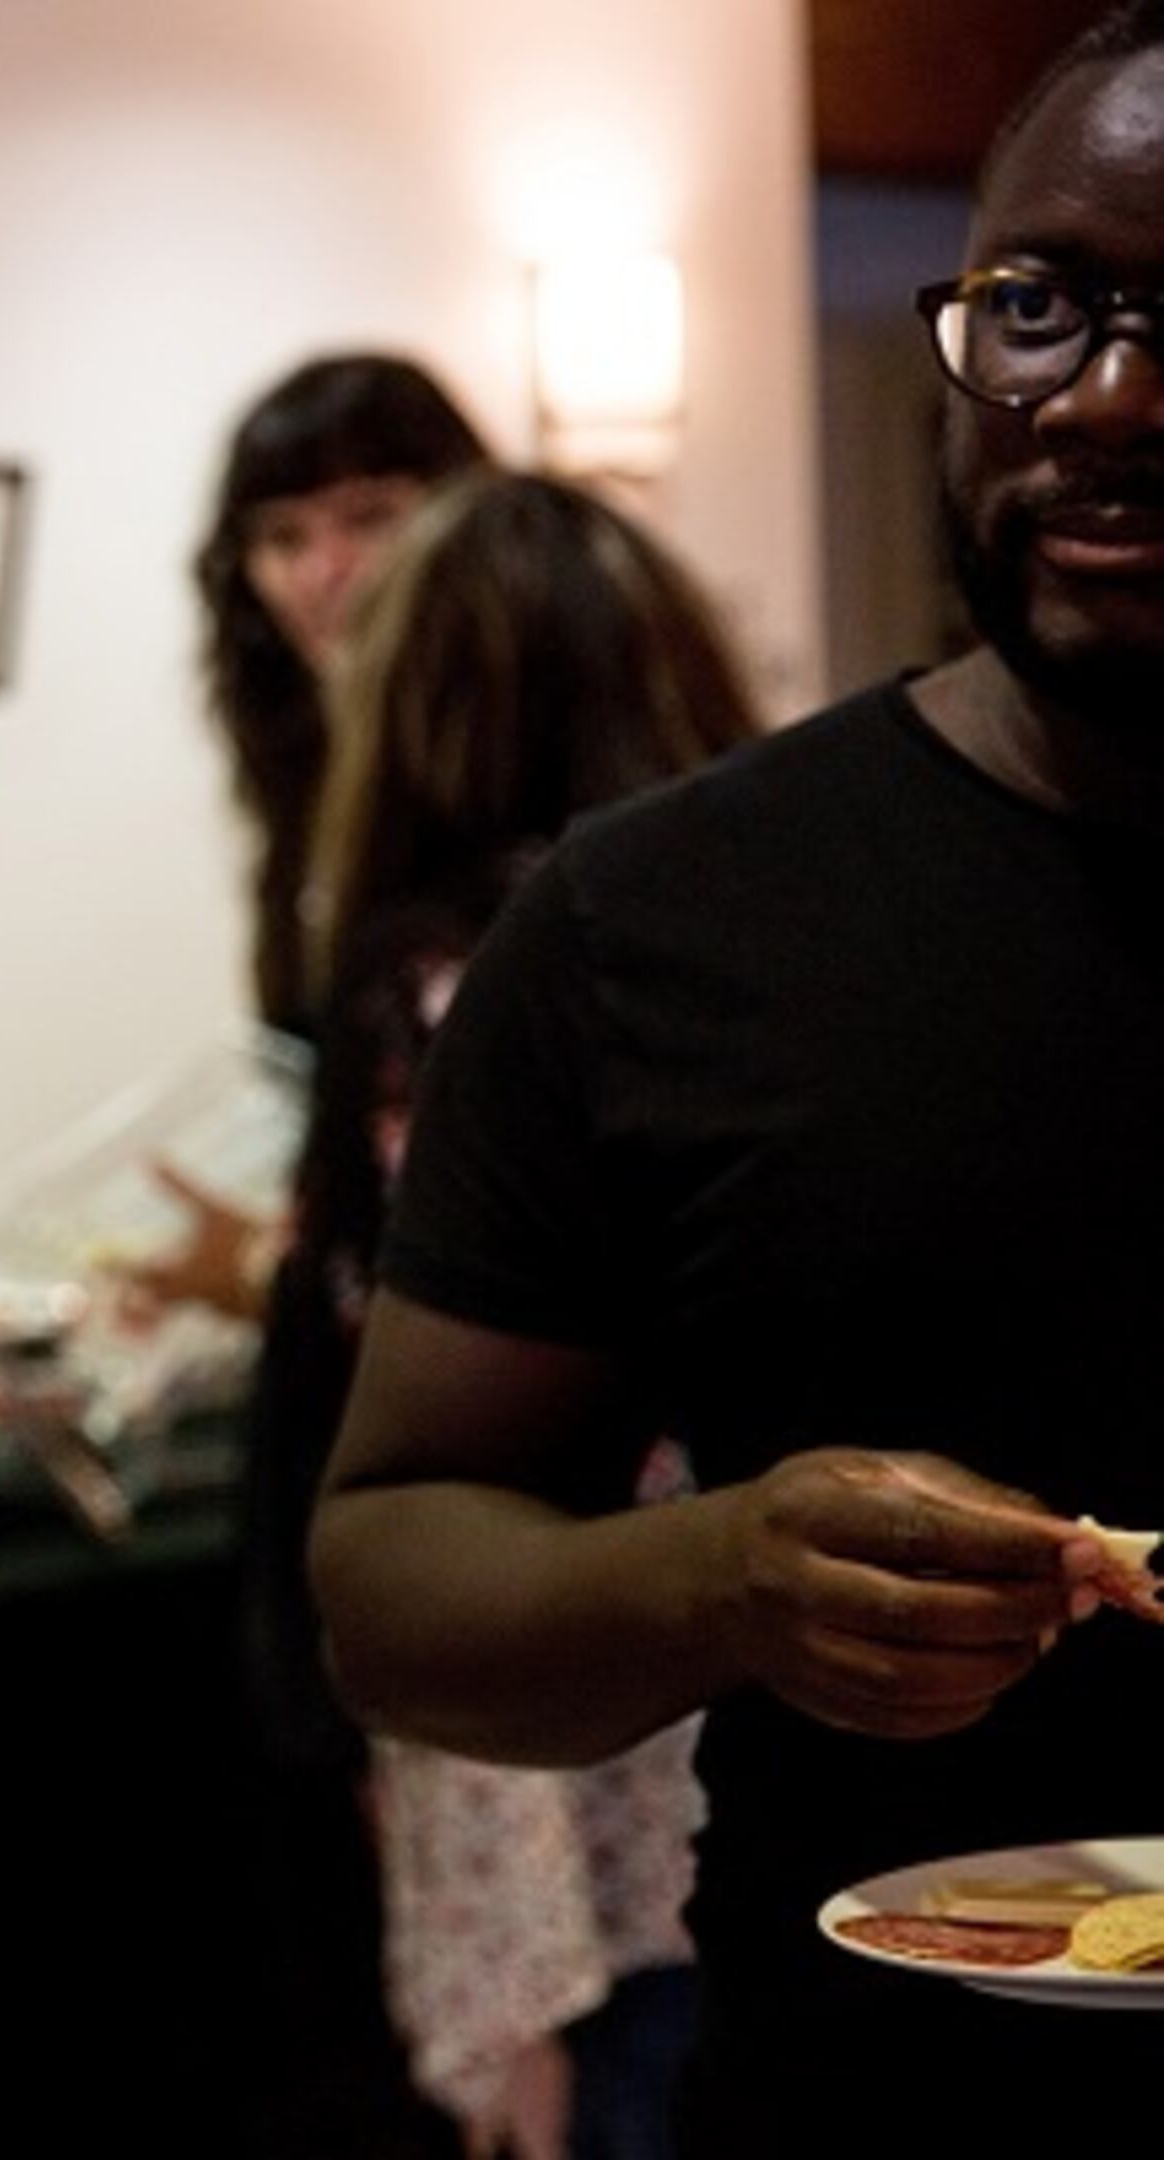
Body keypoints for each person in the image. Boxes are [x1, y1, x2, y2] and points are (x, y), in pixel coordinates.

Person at [308, 9, 1164, 2151]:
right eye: (1043, 308)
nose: (1109, 402)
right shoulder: (661, 925)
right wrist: (727, 1580)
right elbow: (395, 1575)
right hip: (889, 2094)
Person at [263, 474, 756, 2160]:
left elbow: (414, 1393)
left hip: (545, 1646)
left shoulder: (446, 974)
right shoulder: (750, 945)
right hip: (749, 1638)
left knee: (586, 2083)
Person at [190, 352, 490, 1041]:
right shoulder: (299, 757)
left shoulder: (521, 759)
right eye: (283, 536)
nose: (324, 572)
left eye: (368, 518)